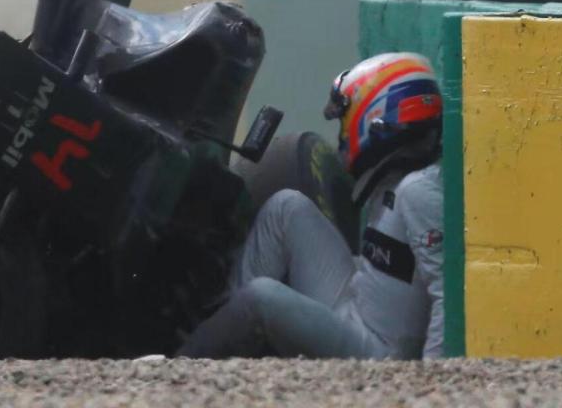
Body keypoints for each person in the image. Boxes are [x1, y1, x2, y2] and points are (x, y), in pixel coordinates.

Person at [178, 52, 445, 360]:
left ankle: (184, 364)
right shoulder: (391, 178)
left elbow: (446, 295)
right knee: (286, 207)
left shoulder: (418, 192)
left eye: (346, 120)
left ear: (375, 119)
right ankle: (222, 327)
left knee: (261, 296)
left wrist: (434, 379)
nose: (342, 134)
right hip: (356, 303)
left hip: (376, 352)